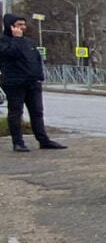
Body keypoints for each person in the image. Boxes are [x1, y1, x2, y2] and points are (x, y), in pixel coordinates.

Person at [0, 13, 67, 151]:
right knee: (15, 113)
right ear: (10, 26)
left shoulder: (28, 42)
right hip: (14, 83)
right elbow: (10, 54)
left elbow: (36, 59)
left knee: (37, 112)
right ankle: (18, 142)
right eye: (19, 25)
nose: (23, 28)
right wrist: (16, 39)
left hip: (32, 82)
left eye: (24, 25)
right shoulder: (4, 41)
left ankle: (43, 140)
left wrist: (39, 76)